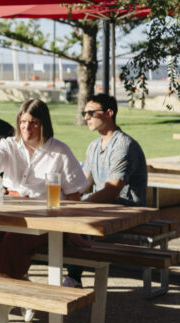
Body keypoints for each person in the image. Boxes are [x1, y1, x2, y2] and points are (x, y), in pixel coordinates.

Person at [0, 99, 89, 290]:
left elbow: (74, 194)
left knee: (13, 240)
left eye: (34, 122)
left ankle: (6, 289)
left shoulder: (60, 151)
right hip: (10, 214)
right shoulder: (10, 144)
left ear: (44, 124)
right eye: (23, 122)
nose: (27, 127)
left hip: (44, 218)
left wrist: (73, 231)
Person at [63, 93, 149, 288]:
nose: (86, 118)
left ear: (109, 113)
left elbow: (111, 191)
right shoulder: (94, 146)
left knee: (79, 216)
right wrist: (68, 198)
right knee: (67, 214)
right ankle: (69, 271)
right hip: (106, 206)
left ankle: (73, 278)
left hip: (128, 208)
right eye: (85, 113)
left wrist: (79, 206)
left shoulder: (124, 146)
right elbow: (83, 183)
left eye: (91, 113)